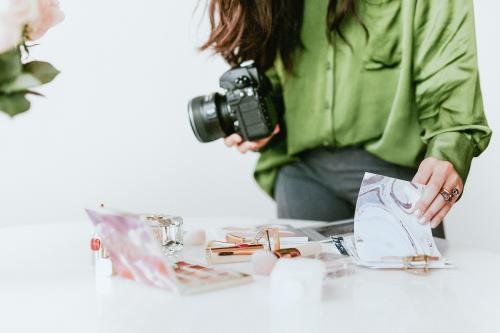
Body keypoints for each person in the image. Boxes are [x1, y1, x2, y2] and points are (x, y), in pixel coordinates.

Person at [201, 0, 491, 236]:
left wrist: (450, 151)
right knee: (312, 300)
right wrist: (263, 117)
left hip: (395, 182)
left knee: (414, 302)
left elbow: (449, 78)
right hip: (302, 175)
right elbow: (279, 76)